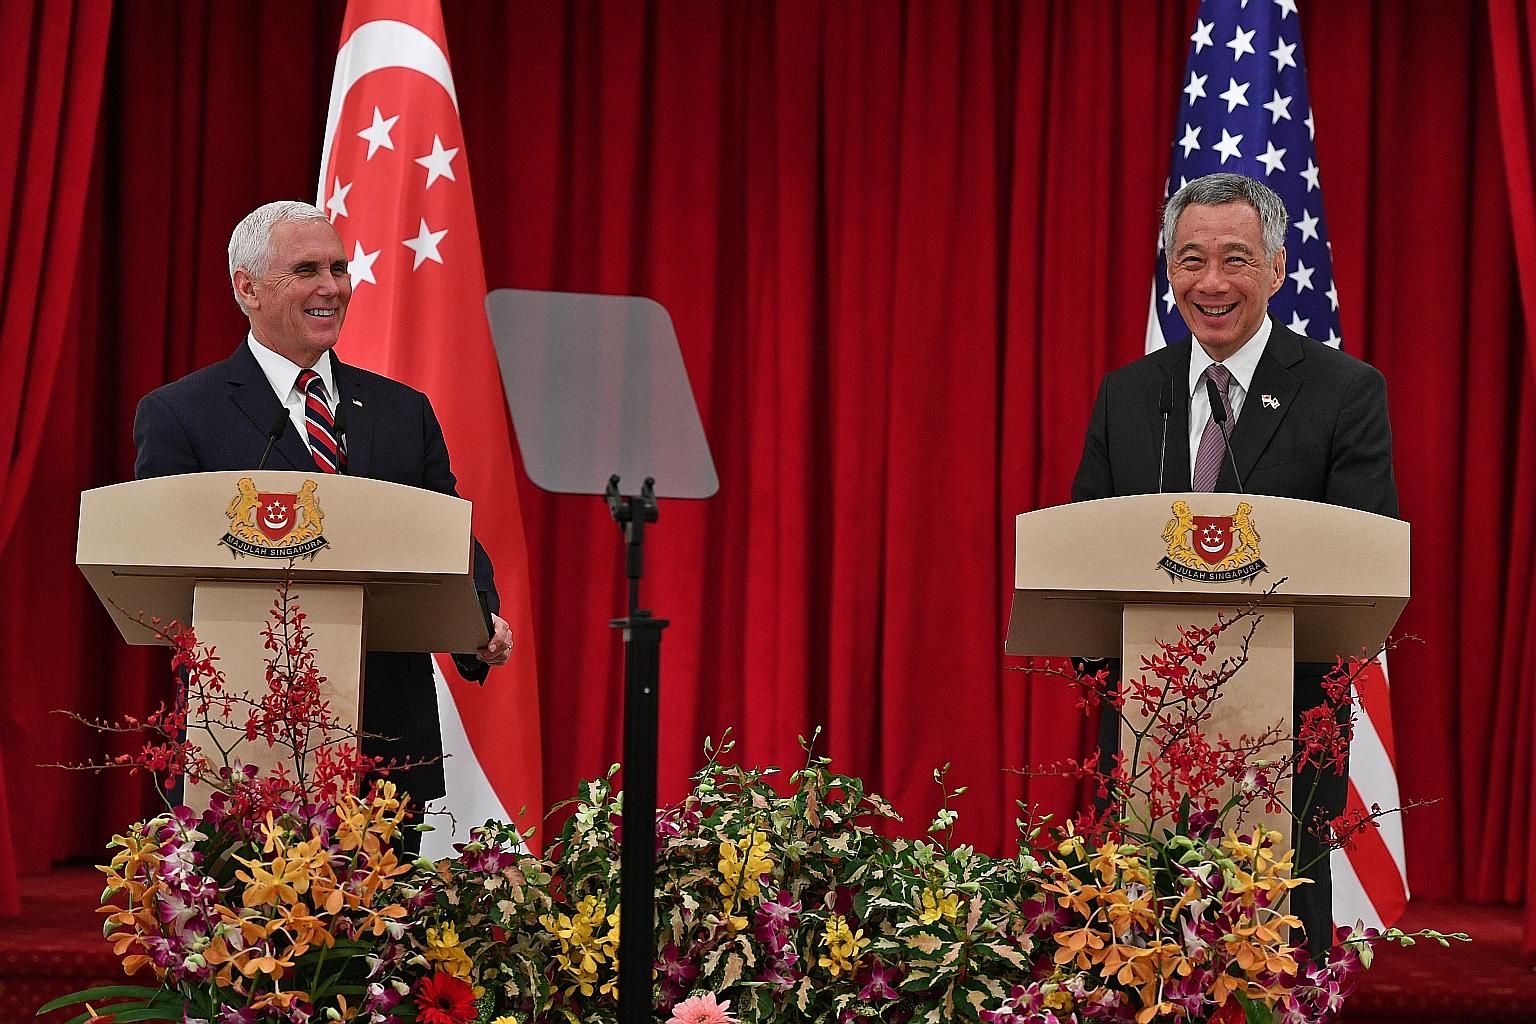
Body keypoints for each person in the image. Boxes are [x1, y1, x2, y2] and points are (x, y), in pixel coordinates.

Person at [1071, 172, 1400, 957]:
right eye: (1189, 260)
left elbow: (1364, 562)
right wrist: (1117, 679)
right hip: (1152, 719)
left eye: (1235, 259)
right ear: (1168, 271)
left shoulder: (1343, 392)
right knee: (1145, 938)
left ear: (1280, 267)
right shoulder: (1126, 395)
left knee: (1275, 943)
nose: (1210, 283)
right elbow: (1082, 550)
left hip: (1288, 723)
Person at [133, 200, 513, 821]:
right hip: (248, 737)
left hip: (386, 741)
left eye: (339, 268)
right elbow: (164, 570)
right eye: (307, 269)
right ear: (247, 288)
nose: (331, 288)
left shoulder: (403, 410)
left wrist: (478, 625)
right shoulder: (181, 415)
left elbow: (448, 533)